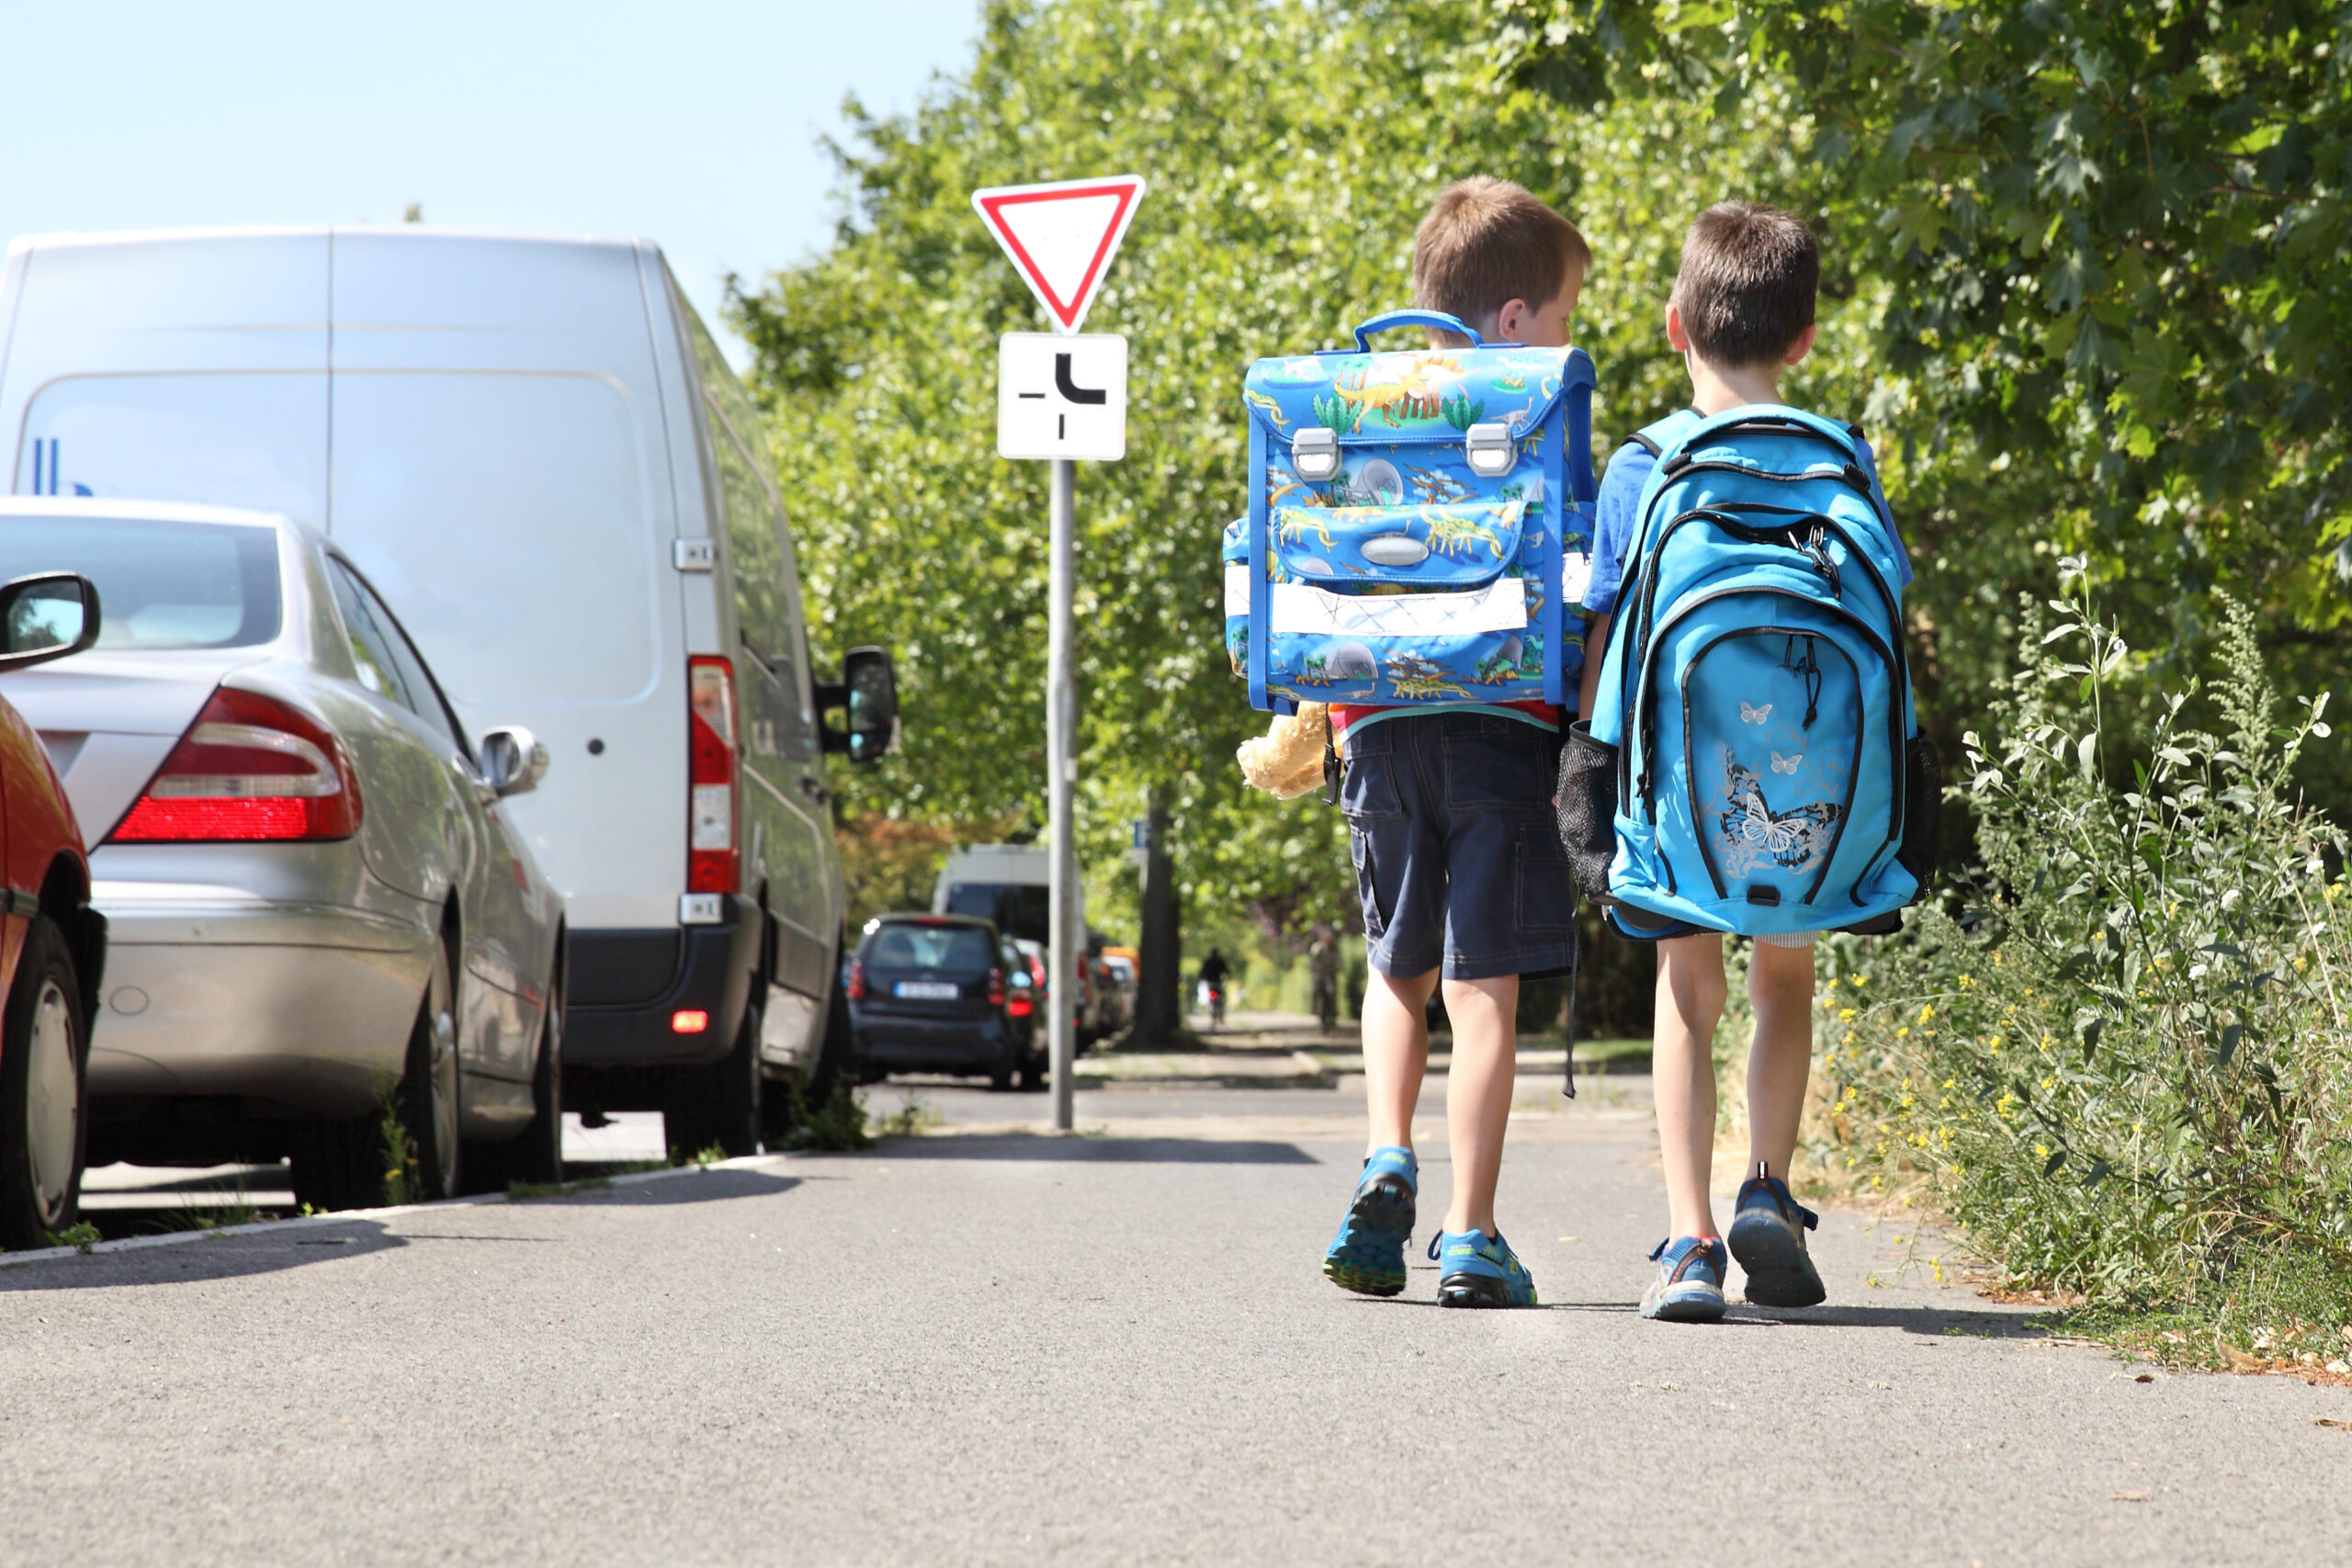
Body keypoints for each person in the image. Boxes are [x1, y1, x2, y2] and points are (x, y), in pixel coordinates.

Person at [1577, 202, 1913, 1323]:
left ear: (1674, 326)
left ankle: (1688, 1241)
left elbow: (1604, 630)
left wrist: (1584, 761)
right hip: (1810, 793)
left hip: (1680, 789)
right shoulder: (1842, 460)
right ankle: (1766, 1180)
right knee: (1784, 981)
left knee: (1688, 993)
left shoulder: (1644, 464)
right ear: (1805, 339)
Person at [1319, 177, 1591, 1309]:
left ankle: (1387, 1153)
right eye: (1567, 314)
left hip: (1374, 724)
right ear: (1517, 319)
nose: (1569, 337)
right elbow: (1577, 569)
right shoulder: (1534, 406)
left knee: (1398, 967)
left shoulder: (1350, 404)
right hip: (1500, 728)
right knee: (1482, 987)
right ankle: (1472, 1233)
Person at [1306, 926, 1340, 1033]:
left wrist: (1337, 968)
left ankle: (1333, 1014)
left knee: (1331, 992)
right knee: (1316, 991)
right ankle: (1315, 1008)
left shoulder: (1335, 949)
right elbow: (1313, 958)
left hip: (1330, 974)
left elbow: (1339, 963)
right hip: (1319, 973)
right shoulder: (1318, 947)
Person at [1195, 947, 1230, 1030]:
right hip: (1217, 983)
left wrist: (1202, 980)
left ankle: (1214, 1016)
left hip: (1210, 984)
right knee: (1220, 999)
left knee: (1212, 999)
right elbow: (1227, 971)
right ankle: (1220, 1017)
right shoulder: (1220, 961)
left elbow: (1201, 973)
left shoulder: (1207, 962)